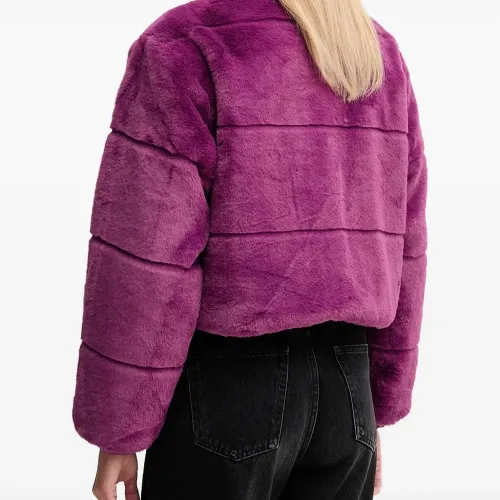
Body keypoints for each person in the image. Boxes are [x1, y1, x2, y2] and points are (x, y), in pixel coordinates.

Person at [72, 0, 427, 498]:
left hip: (227, 393)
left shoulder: (189, 42)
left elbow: (148, 252)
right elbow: (406, 242)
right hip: (347, 392)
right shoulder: (373, 51)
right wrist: (372, 410)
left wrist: (118, 429)